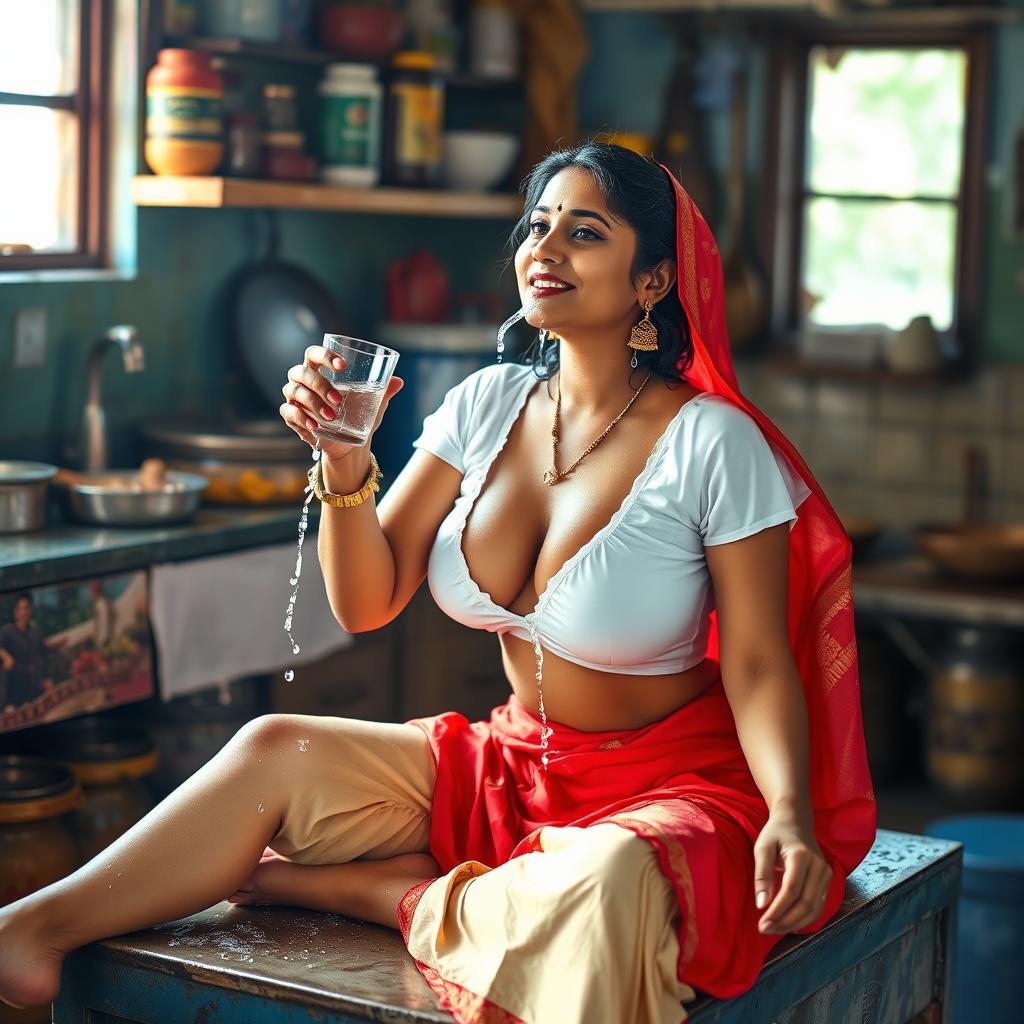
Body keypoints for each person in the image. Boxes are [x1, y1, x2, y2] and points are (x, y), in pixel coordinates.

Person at [0, 143, 876, 1024]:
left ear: (652, 281)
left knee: (605, 884)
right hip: (509, 767)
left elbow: (760, 664)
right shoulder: (485, 402)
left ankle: (377, 895)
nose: (546, 249)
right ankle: (31, 931)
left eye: (585, 232)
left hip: (664, 793)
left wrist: (791, 816)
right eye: (538, 226)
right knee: (274, 746)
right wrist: (344, 461)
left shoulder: (714, 443)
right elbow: (368, 599)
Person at [0, 593, 55, 712]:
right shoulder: (7, 631)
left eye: (26, 608)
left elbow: (44, 653)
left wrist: (48, 678)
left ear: (30, 611)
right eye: (20, 608)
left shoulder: (35, 631)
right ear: (15, 612)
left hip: (34, 683)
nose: (23, 612)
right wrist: (5, 656)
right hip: (16, 685)